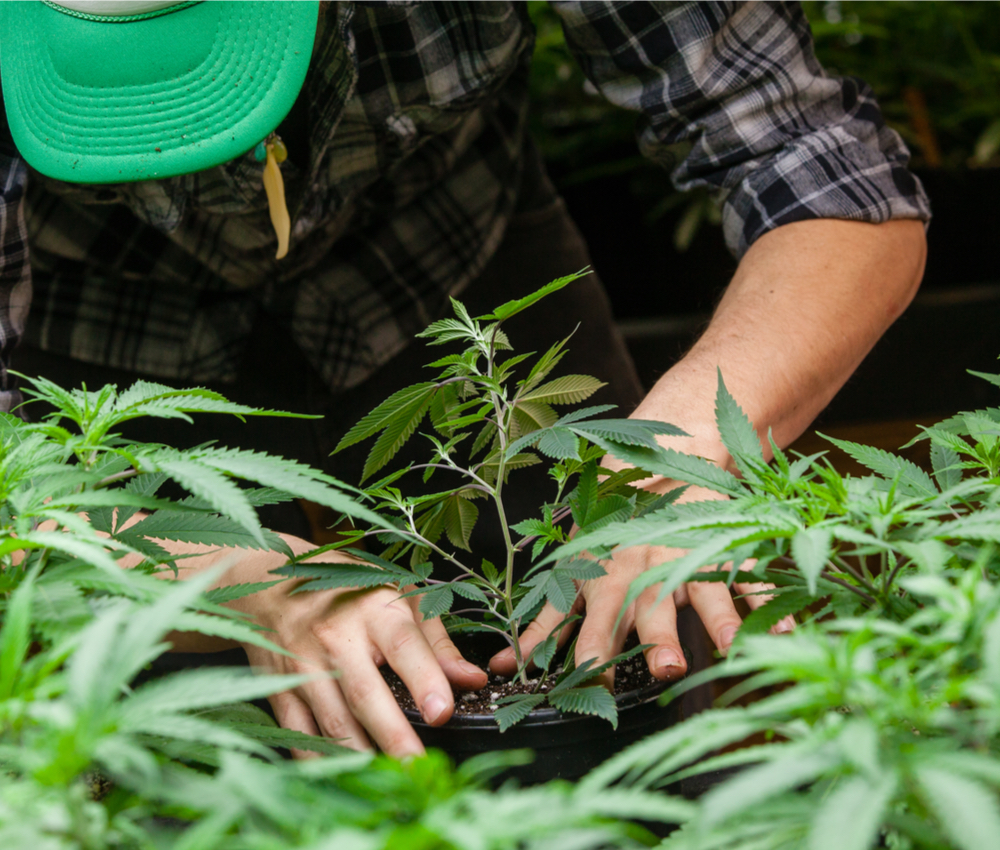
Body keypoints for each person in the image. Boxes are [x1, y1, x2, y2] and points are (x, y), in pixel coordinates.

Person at [0, 1, 928, 757]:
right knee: (167, 747)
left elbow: (821, 165)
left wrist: (686, 447)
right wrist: (231, 578)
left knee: (641, 642)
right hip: (91, 328)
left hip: (448, 259)